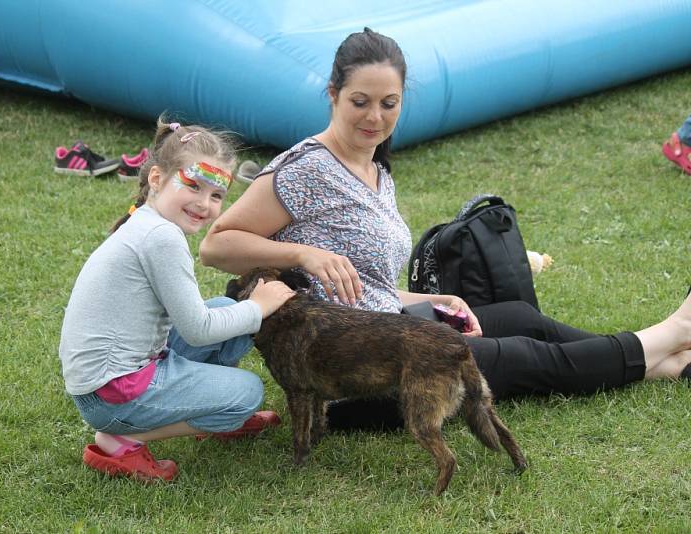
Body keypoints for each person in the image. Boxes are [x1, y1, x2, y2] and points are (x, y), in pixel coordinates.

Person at [199, 28, 691, 430]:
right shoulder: (304, 170)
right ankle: (664, 338)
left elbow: (364, 287)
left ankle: (664, 362)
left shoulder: (375, 170)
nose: (375, 117)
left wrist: (429, 301)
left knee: (520, 316)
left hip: (392, 329)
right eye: (360, 101)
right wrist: (303, 255)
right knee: (518, 357)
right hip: (355, 376)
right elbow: (216, 246)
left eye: (389, 103)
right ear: (333, 95)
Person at [59, 117, 296, 480]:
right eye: (193, 186)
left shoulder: (147, 222)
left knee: (225, 311)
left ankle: (214, 410)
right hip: (112, 395)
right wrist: (258, 307)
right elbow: (198, 330)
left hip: (108, 380)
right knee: (247, 393)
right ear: (157, 178)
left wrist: (244, 311)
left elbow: (199, 318)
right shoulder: (161, 238)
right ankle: (119, 439)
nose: (204, 203)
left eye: (216, 194)